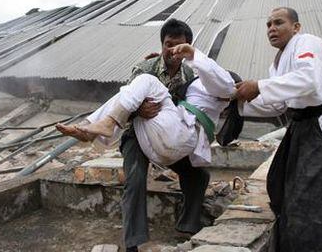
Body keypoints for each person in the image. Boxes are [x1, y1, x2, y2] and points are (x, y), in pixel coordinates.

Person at [57, 19, 215, 252]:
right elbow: (125, 100)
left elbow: (190, 106)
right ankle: (133, 242)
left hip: (166, 136)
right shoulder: (145, 68)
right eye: (167, 44)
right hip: (136, 132)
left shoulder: (189, 74)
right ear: (162, 44)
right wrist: (137, 112)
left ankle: (187, 226)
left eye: (177, 46)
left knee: (198, 175)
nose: (171, 51)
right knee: (135, 178)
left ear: (187, 47)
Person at [235, 7, 322, 251]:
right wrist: (239, 102)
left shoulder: (307, 42)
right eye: (268, 24)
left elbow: (308, 79)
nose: (272, 28)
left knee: (316, 199)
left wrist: (258, 86)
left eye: (278, 22)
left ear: (296, 27)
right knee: (282, 188)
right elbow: (278, 104)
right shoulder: (277, 64)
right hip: (301, 128)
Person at [57, 43, 235, 167]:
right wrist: (158, 62)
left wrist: (193, 53)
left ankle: (106, 125)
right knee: (128, 92)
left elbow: (224, 83)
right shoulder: (198, 84)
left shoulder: (223, 88)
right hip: (163, 144)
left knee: (147, 81)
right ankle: (91, 129)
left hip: (181, 136)